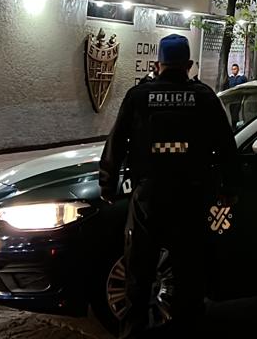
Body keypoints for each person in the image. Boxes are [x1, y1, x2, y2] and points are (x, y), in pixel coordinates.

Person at [97, 35, 237, 337]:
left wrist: (107, 186)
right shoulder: (204, 97)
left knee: (138, 276)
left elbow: (115, 145)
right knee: (189, 278)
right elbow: (227, 149)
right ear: (189, 65)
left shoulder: (139, 96)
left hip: (149, 199)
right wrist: (229, 190)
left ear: (157, 64)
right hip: (191, 199)